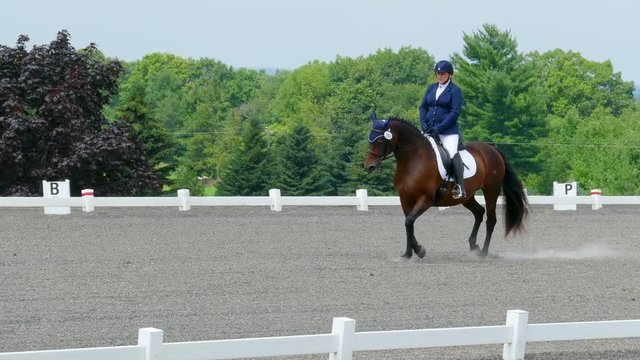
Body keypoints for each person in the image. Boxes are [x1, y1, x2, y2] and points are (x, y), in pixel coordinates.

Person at [419, 60, 466, 199]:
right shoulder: (431, 88)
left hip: (448, 132)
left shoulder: (455, 91)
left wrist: (439, 128)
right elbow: (423, 107)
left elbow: (454, 113)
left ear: (450, 74)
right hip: (429, 130)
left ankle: (459, 186)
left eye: (443, 73)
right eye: (438, 73)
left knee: (451, 153)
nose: (440, 76)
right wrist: (423, 124)